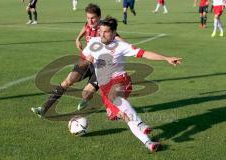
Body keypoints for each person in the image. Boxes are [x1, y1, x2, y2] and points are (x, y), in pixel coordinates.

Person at [82, 16, 181, 152]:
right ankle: (149, 143)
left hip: (120, 80)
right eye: (101, 31)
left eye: (106, 32)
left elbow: (144, 53)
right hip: (104, 87)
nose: (102, 34)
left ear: (113, 33)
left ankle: (140, 123)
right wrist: (87, 59)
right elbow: (84, 58)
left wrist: (166, 58)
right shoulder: (93, 43)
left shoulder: (121, 46)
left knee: (114, 96)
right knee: (125, 116)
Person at [31, 4, 123, 117]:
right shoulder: (88, 25)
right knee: (68, 81)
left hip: (101, 67)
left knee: (85, 94)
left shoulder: (105, 30)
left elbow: (121, 42)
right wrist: (78, 39)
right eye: (88, 18)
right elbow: (85, 29)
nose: (90, 20)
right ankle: (44, 108)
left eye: (93, 18)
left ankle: (88, 99)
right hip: (85, 62)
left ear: (99, 17)